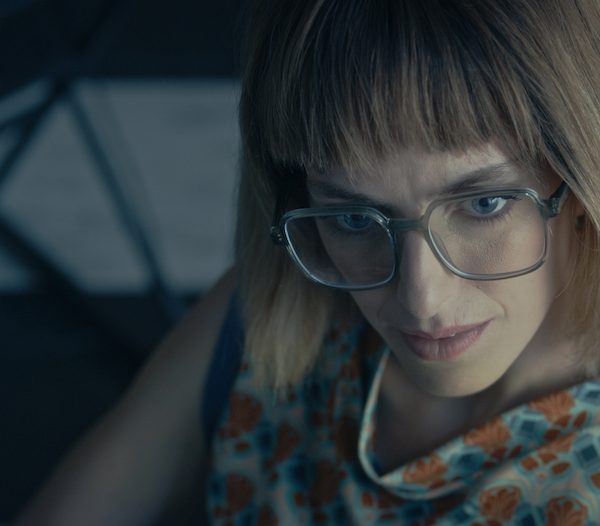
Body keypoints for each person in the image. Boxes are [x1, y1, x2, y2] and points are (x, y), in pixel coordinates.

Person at [15, 0, 600, 524]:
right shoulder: (270, 316)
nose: (421, 298)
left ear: (577, 177)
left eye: (484, 204)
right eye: (354, 219)